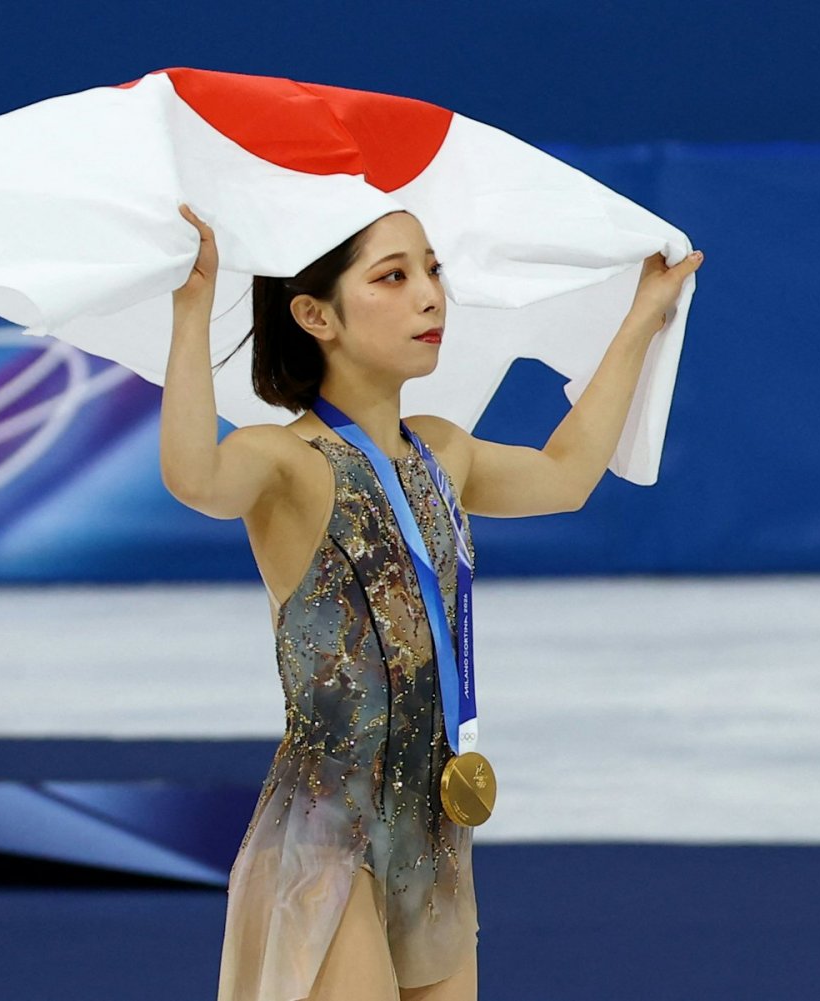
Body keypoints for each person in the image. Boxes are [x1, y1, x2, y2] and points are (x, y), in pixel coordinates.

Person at [160, 203, 702, 1001]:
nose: (429, 294)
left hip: (433, 827)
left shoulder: (441, 450)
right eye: (393, 276)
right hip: (326, 830)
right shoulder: (283, 460)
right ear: (315, 315)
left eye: (432, 270)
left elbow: (567, 475)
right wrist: (192, 310)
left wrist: (642, 319)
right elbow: (194, 477)